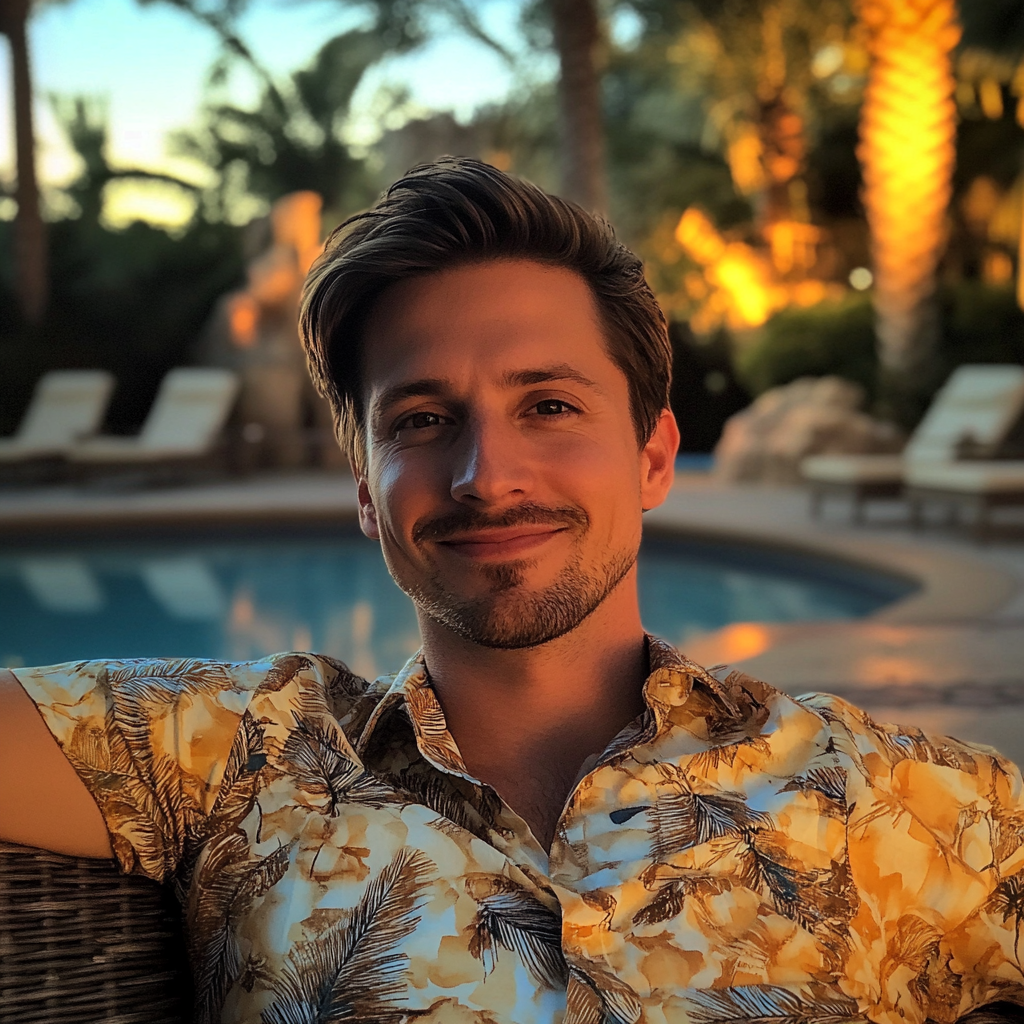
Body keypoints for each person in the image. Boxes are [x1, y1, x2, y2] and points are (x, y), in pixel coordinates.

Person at [1, 157, 1022, 1024]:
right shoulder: (234, 755)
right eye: (421, 420)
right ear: (366, 491)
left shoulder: (875, 793)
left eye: (547, 403)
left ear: (654, 458)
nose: (487, 475)